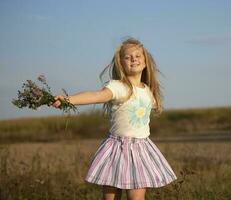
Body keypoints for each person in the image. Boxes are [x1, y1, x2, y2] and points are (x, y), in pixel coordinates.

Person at [51, 37, 177, 200]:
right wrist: (68, 100)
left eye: (138, 55)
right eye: (127, 57)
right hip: (116, 149)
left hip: (140, 150)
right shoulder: (118, 87)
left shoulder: (148, 91)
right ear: (121, 64)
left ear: (145, 62)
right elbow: (96, 96)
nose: (133, 59)